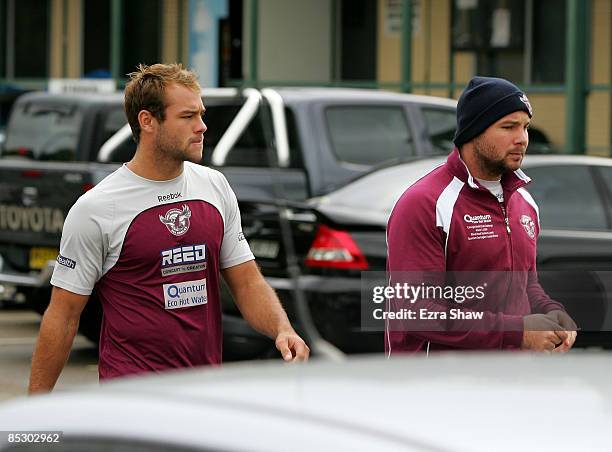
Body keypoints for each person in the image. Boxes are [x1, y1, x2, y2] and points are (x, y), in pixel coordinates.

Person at [29, 63, 309, 393]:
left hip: (203, 392)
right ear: (147, 121)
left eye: (201, 114)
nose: (202, 126)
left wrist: (282, 328)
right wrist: (35, 412)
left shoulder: (214, 186)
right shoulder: (97, 208)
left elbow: (247, 281)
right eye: (187, 116)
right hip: (133, 398)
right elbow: (63, 316)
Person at [385, 76, 577, 355]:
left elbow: (527, 285)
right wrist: (517, 332)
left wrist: (552, 313)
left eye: (525, 127)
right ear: (473, 132)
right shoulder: (425, 203)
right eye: (508, 127)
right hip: (433, 388)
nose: (522, 139)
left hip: (508, 383)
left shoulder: (524, 202)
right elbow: (417, 310)